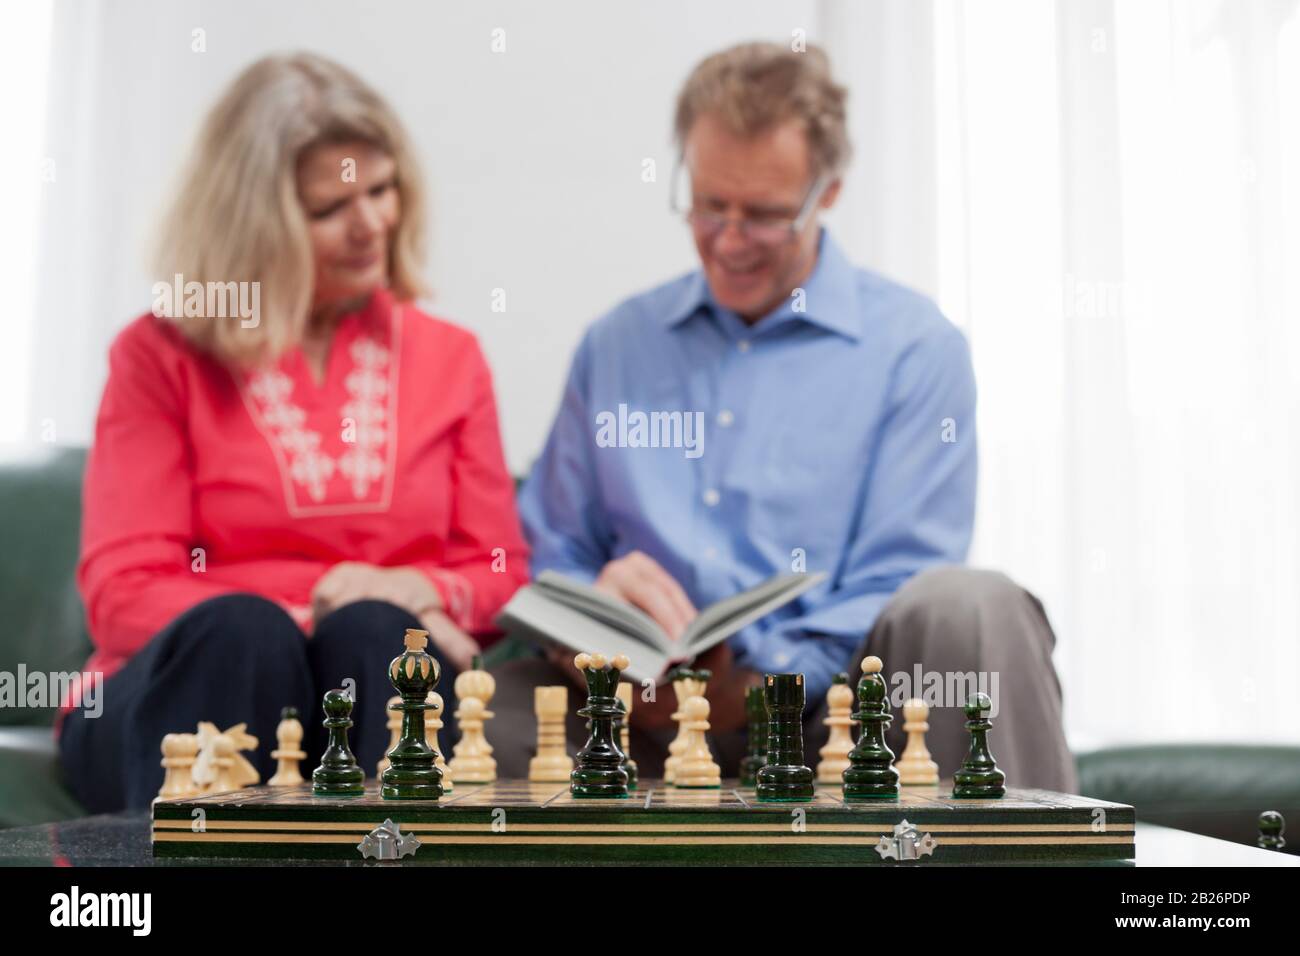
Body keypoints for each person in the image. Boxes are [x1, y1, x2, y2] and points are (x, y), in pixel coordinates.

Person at [495, 41, 1076, 791]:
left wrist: (762, 684)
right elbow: (551, 546)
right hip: (632, 716)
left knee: (970, 606)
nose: (730, 240)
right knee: (476, 718)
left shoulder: (914, 349)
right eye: (709, 205)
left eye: (766, 215)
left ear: (827, 190)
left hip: (835, 712)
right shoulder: (617, 344)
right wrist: (588, 627)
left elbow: (898, 575)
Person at [58, 53, 529, 812]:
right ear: (251, 221)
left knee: (384, 636)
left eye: (383, 190)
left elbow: (499, 569)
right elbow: (121, 595)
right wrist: (313, 611)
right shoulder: (158, 356)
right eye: (330, 207)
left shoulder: (452, 358)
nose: (372, 222)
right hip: (184, 699)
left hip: (370, 684)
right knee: (244, 635)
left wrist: (417, 589)